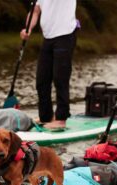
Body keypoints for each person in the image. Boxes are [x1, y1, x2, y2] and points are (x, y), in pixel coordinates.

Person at [20, 0, 78, 129]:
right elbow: (35, 11)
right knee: (42, 80)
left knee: (60, 79)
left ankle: (61, 119)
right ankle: (45, 116)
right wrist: (28, 28)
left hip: (65, 35)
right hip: (48, 37)